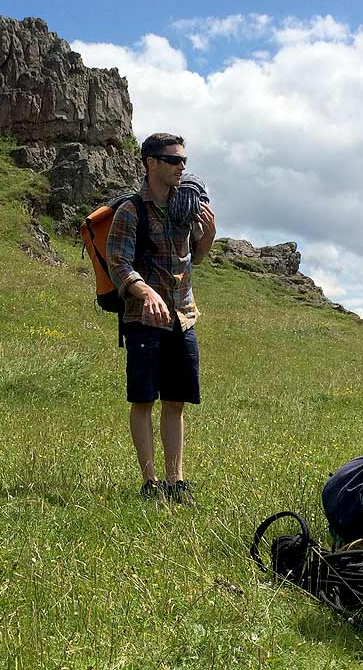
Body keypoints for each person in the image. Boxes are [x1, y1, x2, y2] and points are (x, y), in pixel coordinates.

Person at [105, 133, 217, 505]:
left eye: (184, 160)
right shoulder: (130, 211)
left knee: (176, 400)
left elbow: (195, 259)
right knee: (143, 401)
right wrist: (146, 291)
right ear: (152, 163)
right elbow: (117, 263)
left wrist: (209, 236)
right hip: (143, 319)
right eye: (173, 160)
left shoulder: (186, 205)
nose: (182, 167)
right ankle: (150, 482)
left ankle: (176, 481)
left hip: (183, 317)